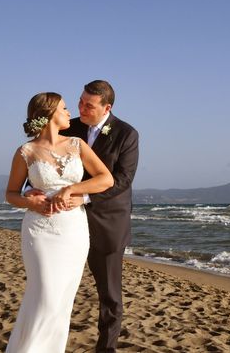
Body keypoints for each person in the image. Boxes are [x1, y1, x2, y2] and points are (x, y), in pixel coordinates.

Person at [4, 92, 113, 353]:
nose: (69, 113)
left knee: (61, 303)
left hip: (73, 231)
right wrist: (30, 202)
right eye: (64, 108)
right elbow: (10, 194)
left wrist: (71, 189)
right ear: (51, 112)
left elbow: (105, 179)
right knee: (45, 297)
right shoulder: (25, 151)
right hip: (39, 231)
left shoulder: (77, 144)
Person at [59, 80, 139, 353]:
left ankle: (106, 350)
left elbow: (123, 180)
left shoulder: (126, 134)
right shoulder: (70, 127)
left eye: (88, 105)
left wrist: (84, 197)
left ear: (107, 107)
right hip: (67, 223)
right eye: (80, 101)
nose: (81, 108)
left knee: (109, 296)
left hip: (107, 223)